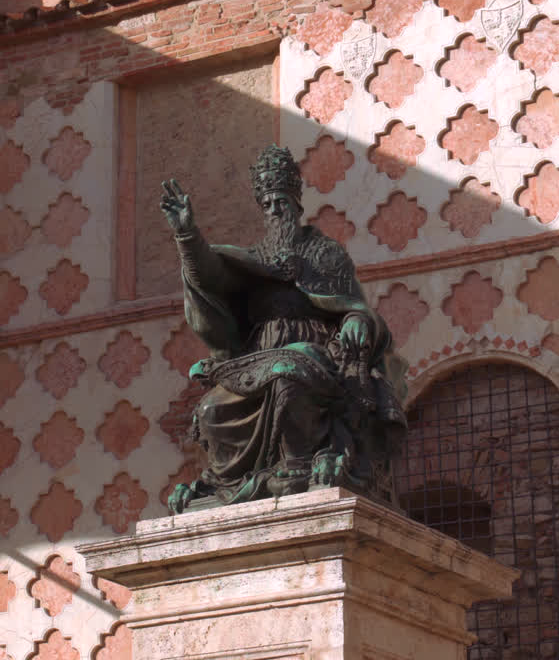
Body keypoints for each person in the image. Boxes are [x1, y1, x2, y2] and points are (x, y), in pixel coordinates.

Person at [161, 144, 407, 513]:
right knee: (211, 409)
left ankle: (296, 466)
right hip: (255, 356)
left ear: (295, 203)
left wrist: (356, 320)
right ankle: (229, 483)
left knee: (287, 370)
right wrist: (187, 236)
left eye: (281, 201)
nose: (275, 209)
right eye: (268, 203)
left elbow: (353, 305)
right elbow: (209, 275)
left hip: (316, 350)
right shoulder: (254, 259)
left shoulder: (324, 254)